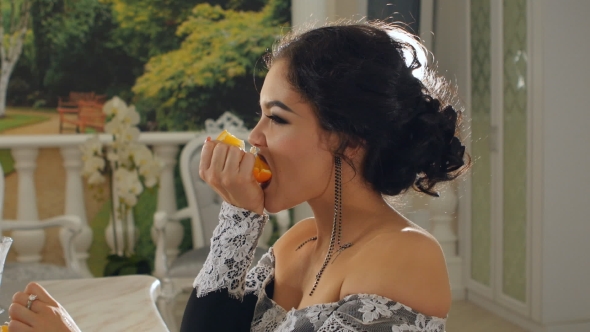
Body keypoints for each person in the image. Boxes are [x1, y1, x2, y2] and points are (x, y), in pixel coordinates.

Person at [7, 20, 468, 332]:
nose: (254, 137)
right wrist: (240, 217)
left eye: (278, 118)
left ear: (349, 137)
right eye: (259, 116)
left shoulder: (407, 255)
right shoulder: (296, 243)